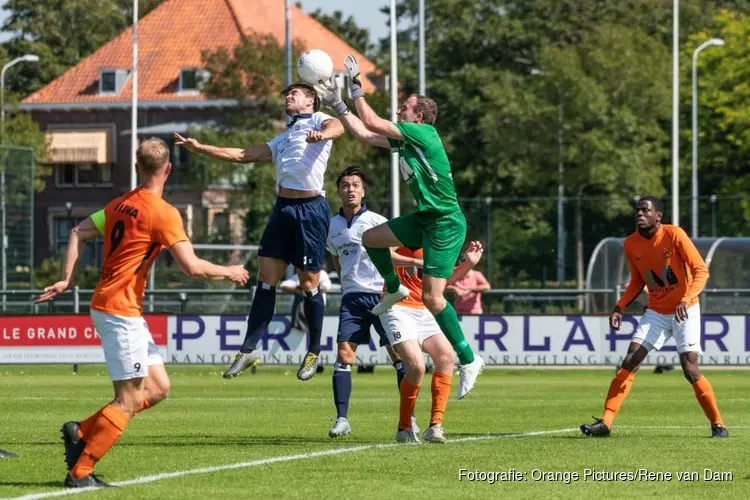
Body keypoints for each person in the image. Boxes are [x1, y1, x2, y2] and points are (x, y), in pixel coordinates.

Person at [34, 138, 249, 488]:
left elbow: (77, 231)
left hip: (118, 308)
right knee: (130, 399)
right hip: (119, 311)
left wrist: (65, 278)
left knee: (159, 387)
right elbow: (192, 267)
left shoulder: (120, 204)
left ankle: (82, 431)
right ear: (168, 169)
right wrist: (230, 270)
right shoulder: (163, 213)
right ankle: (81, 471)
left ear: (137, 169)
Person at [315, 60, 485, 399]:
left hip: (445, 222)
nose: (399, 110)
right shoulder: (408, 142)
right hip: (426, 217)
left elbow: (373, 120)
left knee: (434, 298)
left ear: (418, 117)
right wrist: (337, 104)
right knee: (370, 238)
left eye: (404, 108)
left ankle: (469, 359)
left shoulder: (424, 133)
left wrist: (356, 85)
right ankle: (393, 289)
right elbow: (364, 133)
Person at [175, 82, 345, 381]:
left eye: (295, 94)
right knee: (266, 280)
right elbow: (242, 154)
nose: (288, 97)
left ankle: (314, 351)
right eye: (286, 94)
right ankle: (250, 349)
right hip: (282, 209)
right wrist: (201, 148)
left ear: (311, 101)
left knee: (309, 283)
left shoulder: (319, 120)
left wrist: (323, 134)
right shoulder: (285, 137)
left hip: (310, 210)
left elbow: (338, 127)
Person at [580, 197, 728, 439]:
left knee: (689, 368)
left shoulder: (675, 234)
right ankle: (605, 423)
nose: (639, 213)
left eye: (645, 210)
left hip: (685, 309)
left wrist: (686, 299)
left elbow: (701, 270)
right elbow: (638, 281)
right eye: (637, 209)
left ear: (657, 216)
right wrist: (619, 306)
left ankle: (718, 425)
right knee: (630, 360)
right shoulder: (630, 244)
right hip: (657, 311)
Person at [326, 165, 418, 438]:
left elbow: (390, 255)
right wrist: (347, 282)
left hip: (381, 295)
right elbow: (335, 258)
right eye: (345, 185)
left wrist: (413, 261)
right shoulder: (331, 226)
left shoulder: (377, 221)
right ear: (339, 191)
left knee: (398, 356)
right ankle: (342, 419)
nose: (350, 189)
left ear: (363, 191)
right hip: (351, 298)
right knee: (344, 354)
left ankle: (409, 419)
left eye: (355, 185)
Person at [382, 241, 484, 444]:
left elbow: (443, 282)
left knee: (446, 357)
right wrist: (415, 261)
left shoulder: (440, 242)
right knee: (416, 366)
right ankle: (404, 428)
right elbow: (382, 256)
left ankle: (435, 426)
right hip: (397, 307)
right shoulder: (402, 233)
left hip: (427, 309)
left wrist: (468, 264)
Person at [281, 267, 332, 333]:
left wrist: (309, 289)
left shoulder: (321, 273)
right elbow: (283, 285)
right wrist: (297, 290)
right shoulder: (300, 274)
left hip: (319, 310)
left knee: (316, 335)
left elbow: (326, 287)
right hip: (302, 312)